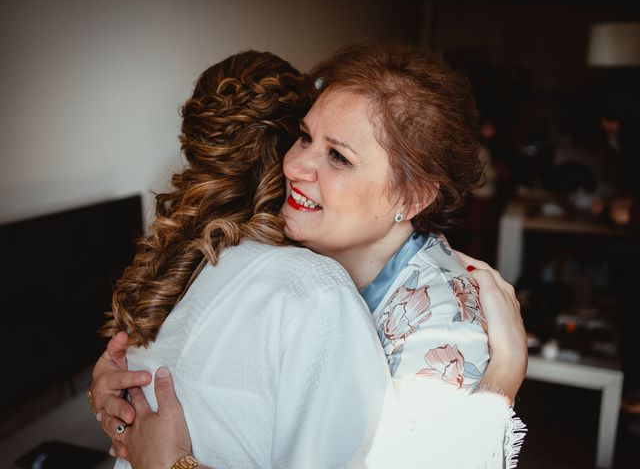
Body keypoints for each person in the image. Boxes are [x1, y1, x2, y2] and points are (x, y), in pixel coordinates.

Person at [91, 42, 527, 468]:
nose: (295, 165)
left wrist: (501, 385)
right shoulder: (284, 249)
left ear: (412, 198)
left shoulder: (440, 326)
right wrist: (124, 390)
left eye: (338, 156)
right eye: (304, 137)